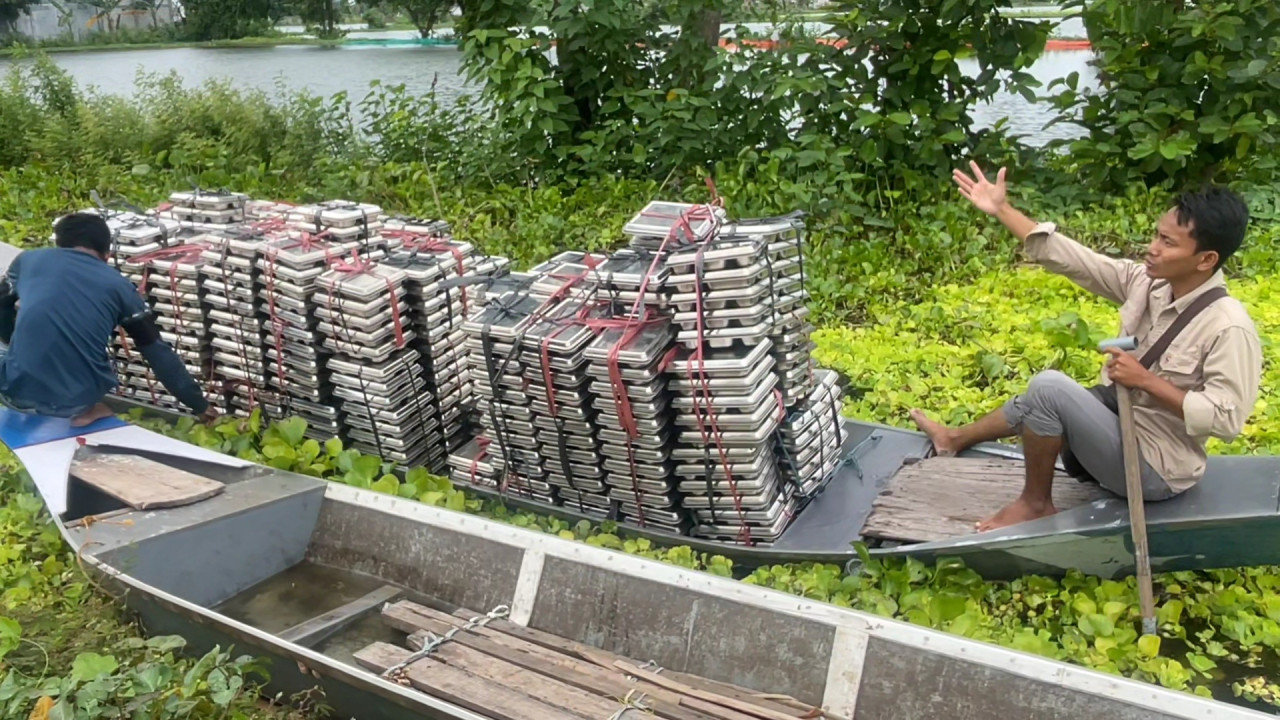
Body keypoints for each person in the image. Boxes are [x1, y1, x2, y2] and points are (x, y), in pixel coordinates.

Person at [910, 163, 1262, 533]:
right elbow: (1075, 260)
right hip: (1120, 429)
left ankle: (1034, 505)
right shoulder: (1150, 283)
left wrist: (1145, 380)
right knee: (1040, 397)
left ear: (1206, 260)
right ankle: (954, 438)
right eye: (1156, 235)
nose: (1152, 249)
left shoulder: (1229, 326)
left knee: (1049, 388)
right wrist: (1002, 209)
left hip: (1156, 470)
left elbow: (1227, 421)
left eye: (1168, 243)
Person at [0, 213, 218, 427]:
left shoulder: (28, 260)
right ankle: (87, 409)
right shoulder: (119, 286)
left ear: (59, 244)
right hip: (75, 402)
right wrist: (198, 404)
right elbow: (158, 353)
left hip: (14, 392)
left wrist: (15, 346)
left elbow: (2, 305)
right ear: (108, 254)